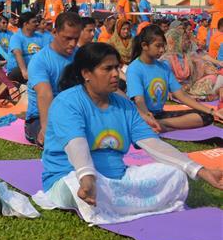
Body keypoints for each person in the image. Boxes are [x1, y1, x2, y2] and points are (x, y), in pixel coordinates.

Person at [40, 42, 223, 216]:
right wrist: (87, 177)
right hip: (71, 177)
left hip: (115, 180)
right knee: (81, 187)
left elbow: (152, 143)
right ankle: (102, 195)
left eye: (117, 68)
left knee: (176, 175)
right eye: (108, 69)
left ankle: (115, 199)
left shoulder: (124, 105)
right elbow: (76, 144)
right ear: (87, 73)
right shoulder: (67, 102)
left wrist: (200, 170)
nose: (115, 74)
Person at [126, 25, 223, 133]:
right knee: (143, 121)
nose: (162, 50)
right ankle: (153, 124)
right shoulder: (134, 69)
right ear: (144, 46)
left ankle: (161, 125)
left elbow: (181, 95)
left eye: (163, 46)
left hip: (159, 115)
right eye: (158, 46)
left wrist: (212, 111)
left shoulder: (163, 67)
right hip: (141, 115)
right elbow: (139, 100)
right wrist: (147, 116)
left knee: (206, 116)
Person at [25, 12, 83, 146]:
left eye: (76, 38)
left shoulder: (80, 54)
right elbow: (45, 94)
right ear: (55, 32)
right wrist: (46, 129)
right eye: (67, 38)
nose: (73, 43)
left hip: (73, 112)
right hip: (40, 117)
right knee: (62, 141)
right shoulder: (40, 60)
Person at [8, 12, 45, 84]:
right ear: (25, 24)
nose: (37, 23)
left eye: (37, 21)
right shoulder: (16, 37)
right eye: (34, 22)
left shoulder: (40, 37)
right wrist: (24, 71)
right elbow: (17, 53)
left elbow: (46, 53)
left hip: (35, 70)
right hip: (20, 71)